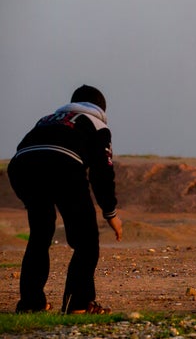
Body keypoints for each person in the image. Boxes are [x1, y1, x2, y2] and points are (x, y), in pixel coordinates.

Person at [8, 85, 122, 314]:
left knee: (40, 234)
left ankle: (31, 304)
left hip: (22, 168)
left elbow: (25, 148)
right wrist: (111, 213)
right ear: (101, 108)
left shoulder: (48, 119)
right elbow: (102, 172)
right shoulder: (98, 125)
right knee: (86, 241)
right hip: (63, 166)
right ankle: (78, 304)